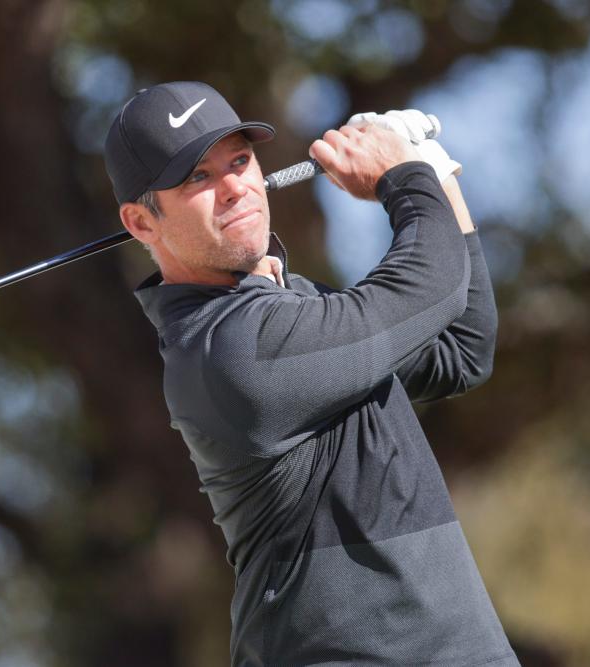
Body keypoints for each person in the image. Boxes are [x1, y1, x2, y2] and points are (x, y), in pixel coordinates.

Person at [104, 81, 518, 666]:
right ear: (141, 223)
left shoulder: (289, 309)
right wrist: (402, 176)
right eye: (198, 177)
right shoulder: (228, 349)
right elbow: (428, 284)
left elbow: (461, 348)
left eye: (240, 160)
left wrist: (434, 174)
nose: (234, 187)